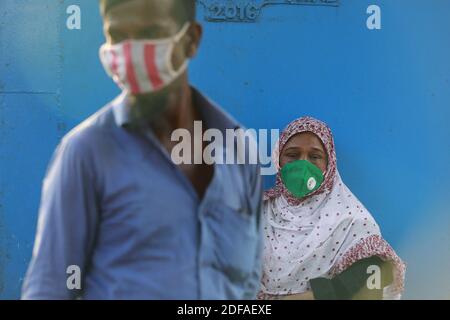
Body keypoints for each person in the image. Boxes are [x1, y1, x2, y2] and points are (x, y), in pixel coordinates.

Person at [22, 0, 262, 299]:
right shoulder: (87, 152)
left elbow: (247, 284)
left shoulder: (240, 151)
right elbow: (51, 287)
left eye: (150, 32)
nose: (133, 50)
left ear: (191, 40)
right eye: (119, 36)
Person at [258, 116, 405, 300]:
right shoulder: (259, 212)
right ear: (278, 159)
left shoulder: (351, 220)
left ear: (329, 164)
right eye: (292, 155)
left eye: (315, 156)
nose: (303, 164)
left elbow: (371, 280)